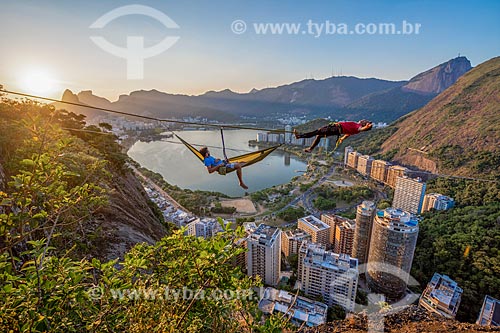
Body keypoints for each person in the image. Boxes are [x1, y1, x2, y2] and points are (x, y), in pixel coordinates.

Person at [294, 120, 373, 153]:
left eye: (365, 121)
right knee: (318, 136)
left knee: (317, 132)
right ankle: (311, 149)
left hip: (335, 129)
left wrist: (366, 127)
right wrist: (342, 138)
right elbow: (347, 134)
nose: (363, 120)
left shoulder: (357, 127)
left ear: (363, 124)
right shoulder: (355, 129)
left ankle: (299, 136)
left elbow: (361, 129)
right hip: (336, 130)